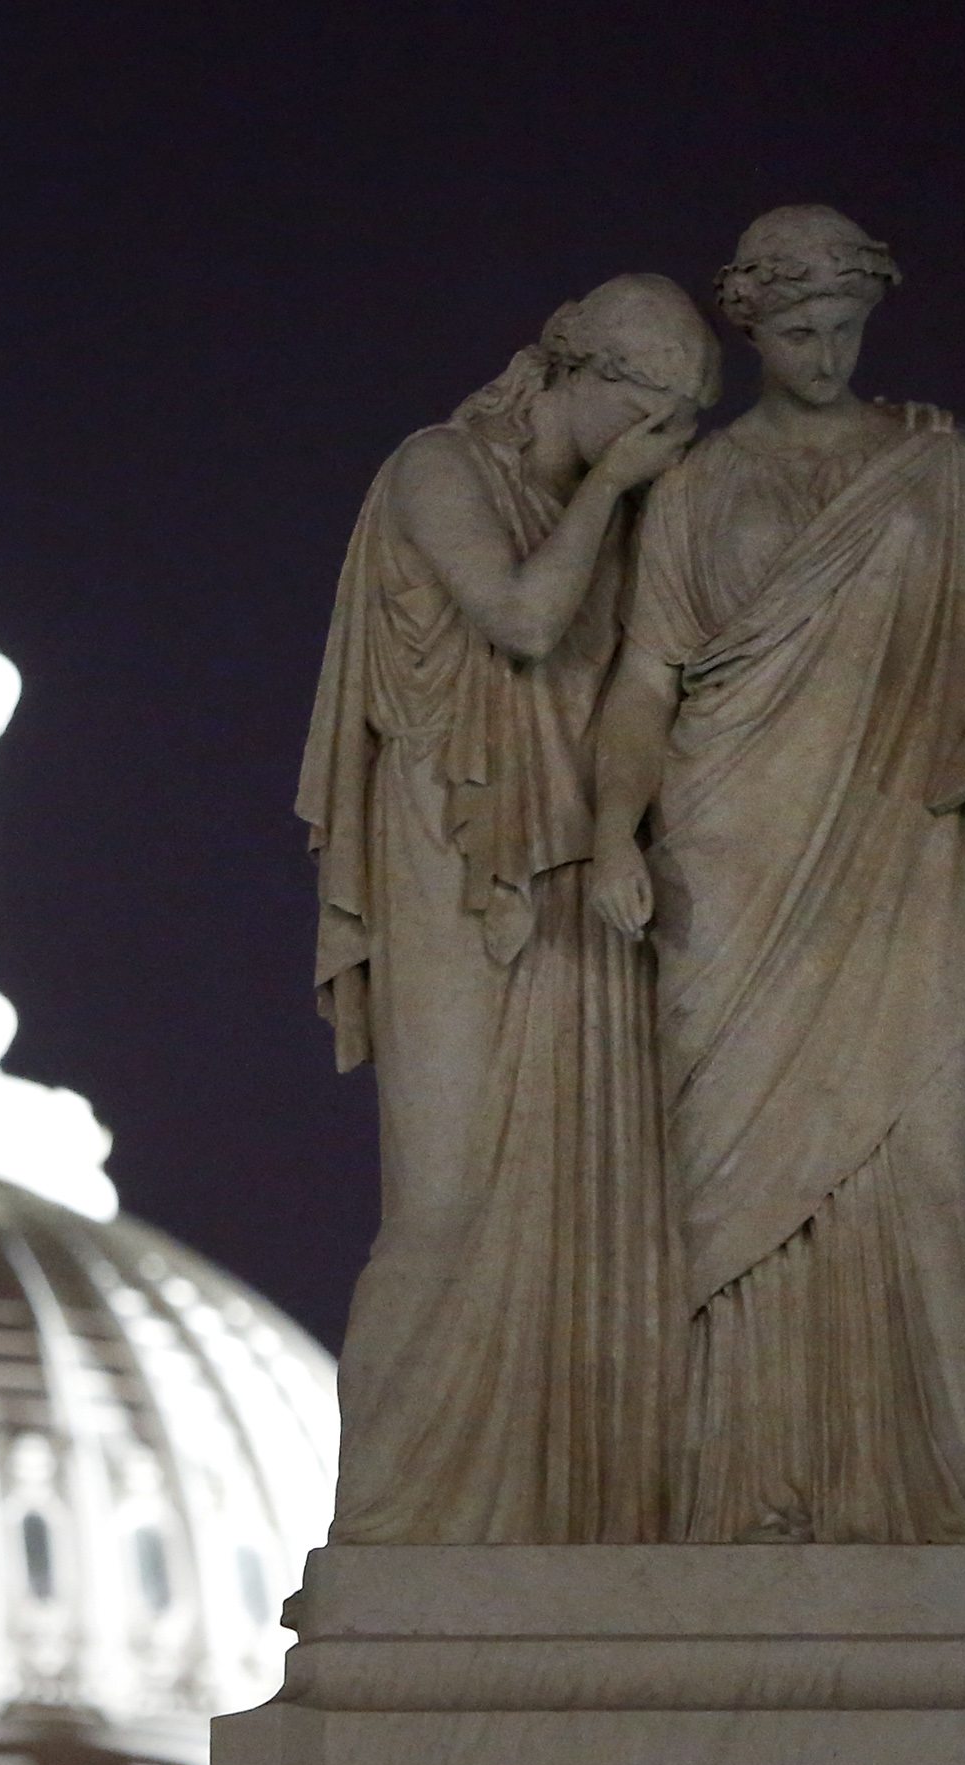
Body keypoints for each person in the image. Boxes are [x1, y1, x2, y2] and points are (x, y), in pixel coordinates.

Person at [591, 207, 965, 1544]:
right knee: (727, 1194)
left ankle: (942, 1499)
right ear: (751, 328)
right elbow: (644, 683)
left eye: (845, 327)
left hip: (913, 857)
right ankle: (740, 1500)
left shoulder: (937, 475)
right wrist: (612, 834)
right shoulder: (699, 487)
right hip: (732, 863)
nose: (826, 352)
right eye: (798, 330)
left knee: (931, 1165)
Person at [298, 274, 722, 1543]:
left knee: (581, 1202)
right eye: (657, 411)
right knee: (443, 1201)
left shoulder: (620, 514)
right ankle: (392, 1522)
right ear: (582, 377)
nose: (670, 444)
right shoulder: (438, 468)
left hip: (574, 882)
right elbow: (523, 621)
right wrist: (608, 490)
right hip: (454, 859)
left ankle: (561, 1507)